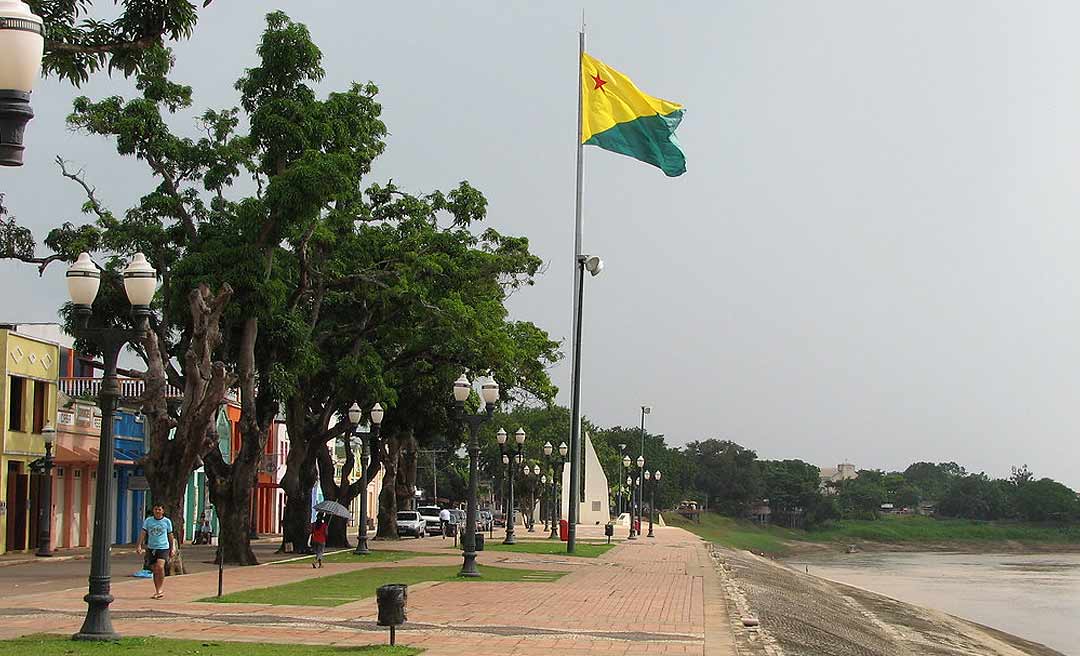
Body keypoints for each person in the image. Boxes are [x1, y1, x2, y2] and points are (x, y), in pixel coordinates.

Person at [136, 503, 175, 600]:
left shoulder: (167, 522)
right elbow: (143, 533)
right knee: (155, 570)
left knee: (160, 567)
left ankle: (160, 589)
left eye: (159, 509)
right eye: (156, 509)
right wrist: (139, 545)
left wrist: (172, 548)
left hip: (163, 548)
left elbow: (170, 536)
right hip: (151, 548)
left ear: (163, 511)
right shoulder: (148, 521)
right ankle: (157, 590)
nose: (157, 511)